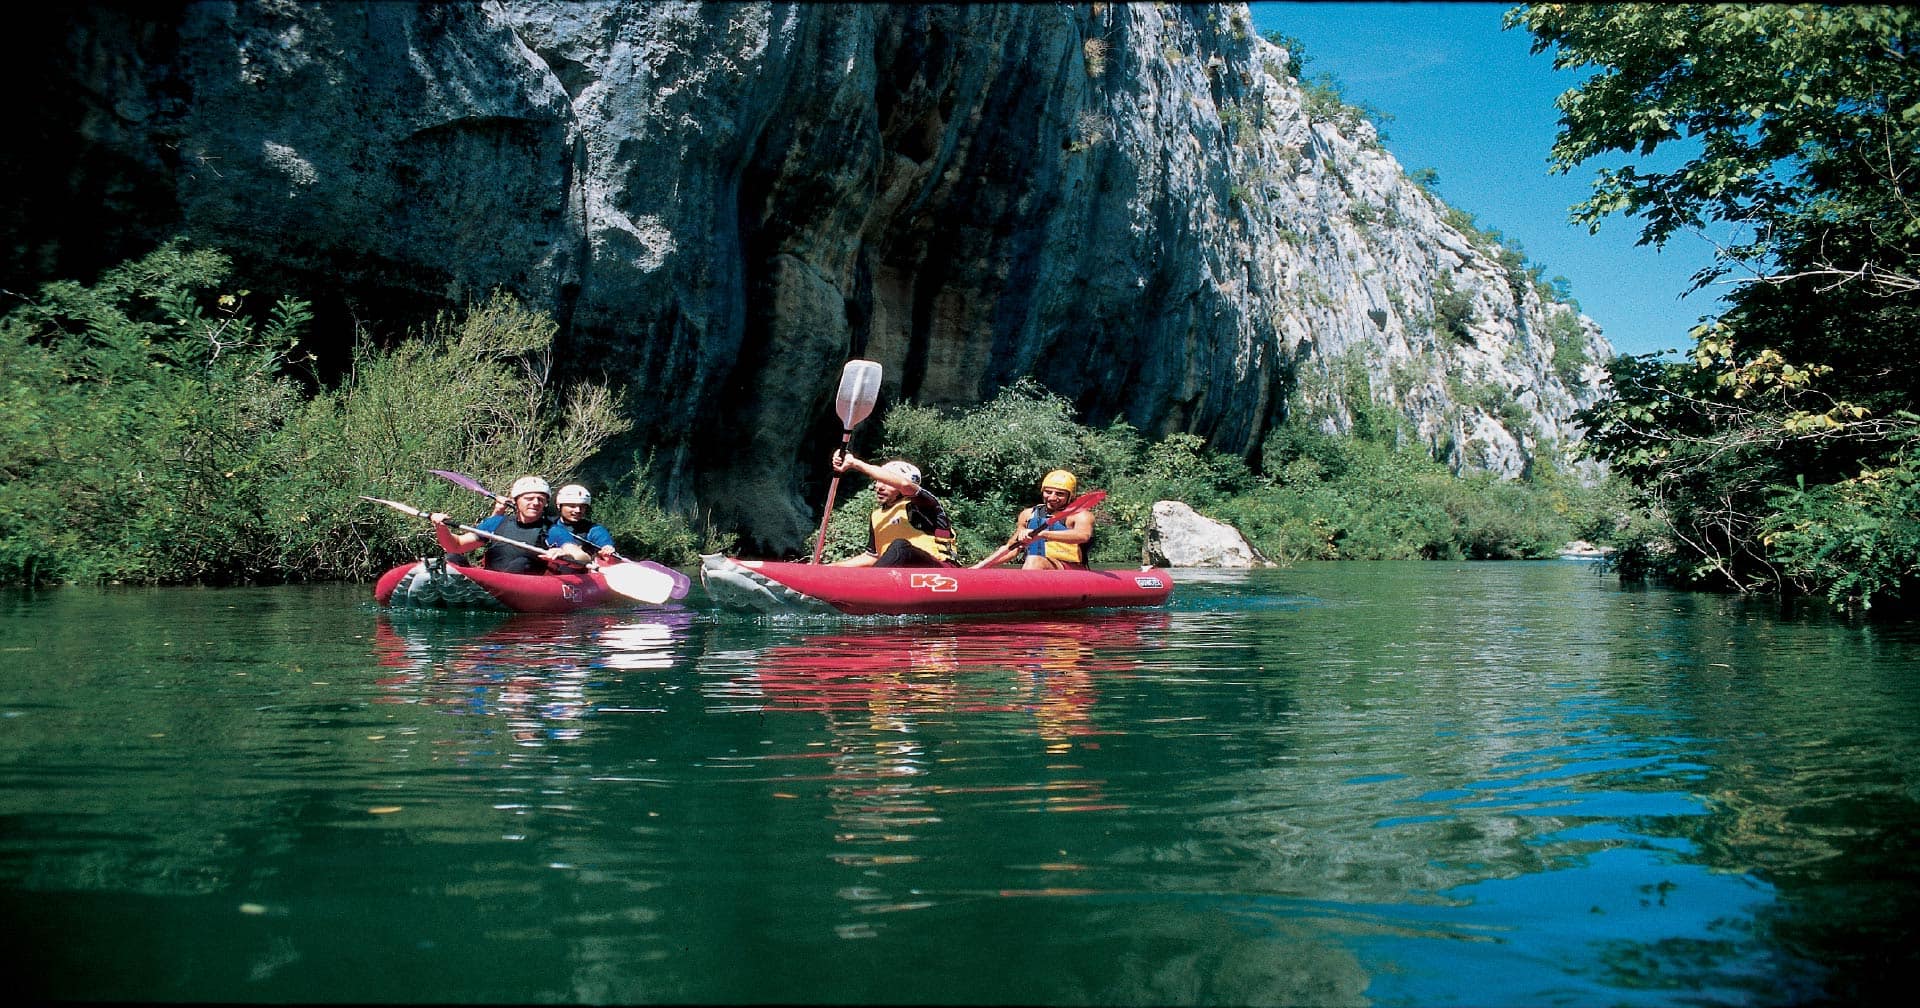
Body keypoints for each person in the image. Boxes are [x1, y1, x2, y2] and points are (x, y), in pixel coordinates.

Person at [428, 476, 593, 574]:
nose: (535, 503)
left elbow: (582, 557)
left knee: (522, 562)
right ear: (516, 501)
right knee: (452, 558)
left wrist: (563, 554)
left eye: (540, 500)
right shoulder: (496, 522)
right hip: (489, 581)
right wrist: (441, 527)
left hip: (522, 584)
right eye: (529, 498)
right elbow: (456, 545)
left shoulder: (552, 530)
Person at [828, 452, 958, 567]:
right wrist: (828, 569)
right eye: (878, 481)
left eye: (887, 483)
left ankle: (870, 585)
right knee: (897, 549)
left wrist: (854, 463)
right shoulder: (877, 516)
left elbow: (905, 485)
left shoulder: (923, 505)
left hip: (940, 571)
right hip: (898, 576)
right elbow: (872, 557)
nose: (880, 487)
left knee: (900, 546)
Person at [993, 469, 1092, 570]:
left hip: (1070, 568)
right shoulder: (1027, 514)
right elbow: (1011, 548)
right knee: (1033, 560)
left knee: (1034, 560)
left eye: (1060, 494)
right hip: (1036, 566)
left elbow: (1083, 536)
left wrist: (1043, 534)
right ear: (1042, 491)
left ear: (1070, 496)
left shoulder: (1081, 515)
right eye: (1048, 492)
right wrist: (980, 567)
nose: (1052, 497)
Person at [548, 483, 618, 562]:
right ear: (559, 506)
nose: (578, 510)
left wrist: (607, 550)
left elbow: (605, 544)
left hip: (581, 571)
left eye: (582, 507)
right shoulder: (548, 525)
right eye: (572, 506)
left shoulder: (594, 530)